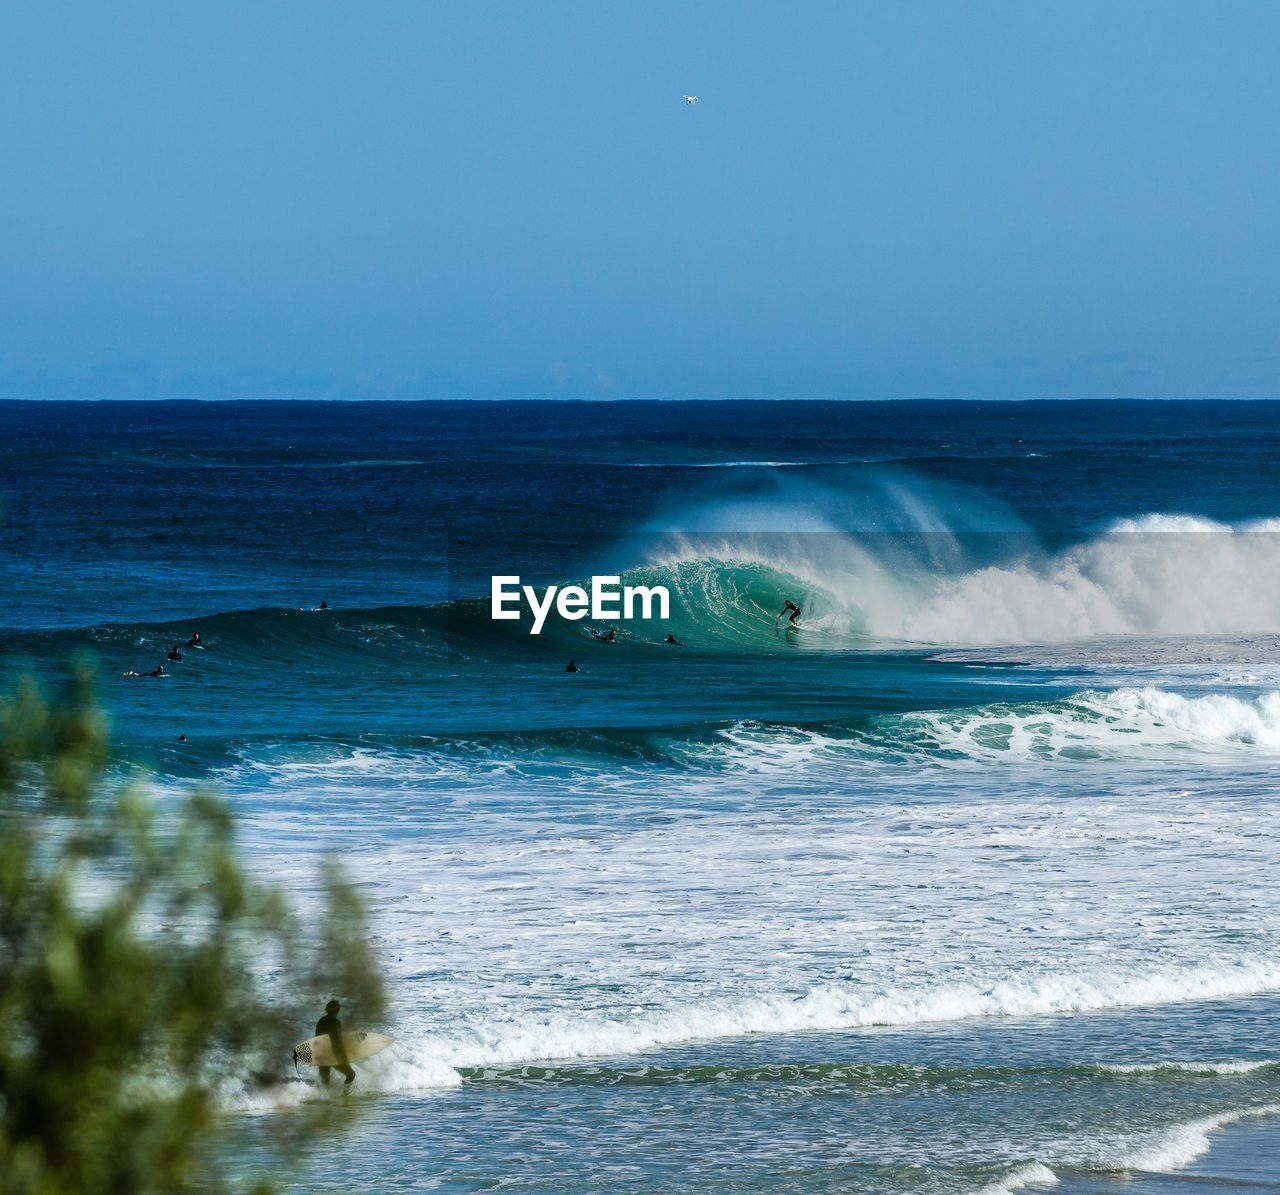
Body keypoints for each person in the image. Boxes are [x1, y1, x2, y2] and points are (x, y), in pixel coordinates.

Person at [315, 999, 355, 1089]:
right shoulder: (336, 1023)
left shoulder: (321, 1021)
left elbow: (316, 1038)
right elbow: (337, 1041)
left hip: (321, 1054)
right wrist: (343, 1056)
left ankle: (323, 1099)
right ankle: (344, 1096)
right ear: (337, 1010)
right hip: (332, 1055)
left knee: (325, 1082)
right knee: (351, 1074)